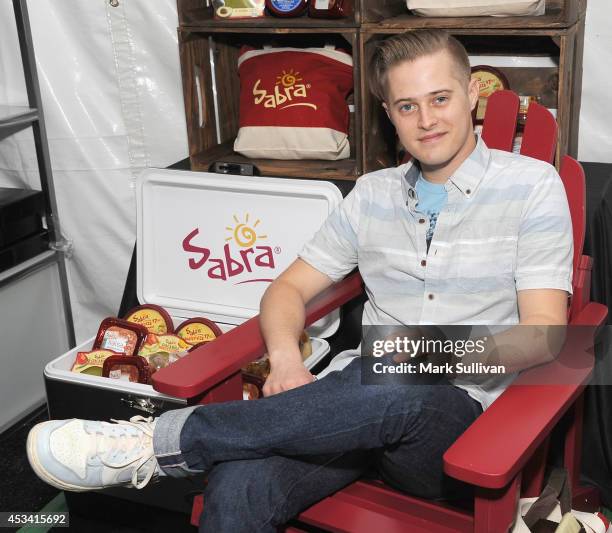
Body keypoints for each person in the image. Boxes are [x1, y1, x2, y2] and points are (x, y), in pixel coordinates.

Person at [26, 29, 573, 532]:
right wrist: (286, 361)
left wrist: (409, 358)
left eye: (440, 99)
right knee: (240, 483)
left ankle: (158, 442)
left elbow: (544, 335)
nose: (426, 119)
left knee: (398, 373)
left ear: (470, 97)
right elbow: (286, 290)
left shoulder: (531, 187)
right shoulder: (371, 196)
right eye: (408, 106)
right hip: (346, 408)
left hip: (454, 426)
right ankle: (181, 444)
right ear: (389, 114)